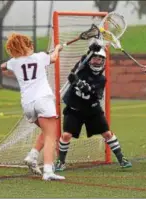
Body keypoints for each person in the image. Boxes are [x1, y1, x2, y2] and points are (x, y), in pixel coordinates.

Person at [55, 40, 132, 171]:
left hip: (92, 110)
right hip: (74, 108)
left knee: (107, 133)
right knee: (66, 135)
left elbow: (94, 95)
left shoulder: (101, 79)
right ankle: (61, 161)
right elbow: (79, 64)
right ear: (90, 60)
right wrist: (90, 51)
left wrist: (80, 84)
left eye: (99, 59)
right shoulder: (82, 68)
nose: (96, 61)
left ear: (103, 62)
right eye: (94, 58)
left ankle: (122, 159)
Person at [0, 33, 65, 181]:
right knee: (51, 136)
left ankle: (33, 155)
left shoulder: (14, 62)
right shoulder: (40, 57)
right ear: (26, 46)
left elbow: (3, 67)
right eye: (30, 44)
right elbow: (54, 58)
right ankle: (48, 171)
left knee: (46, 131)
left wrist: (17, 59)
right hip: (43, 99)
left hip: (28, 104)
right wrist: (57, 48)